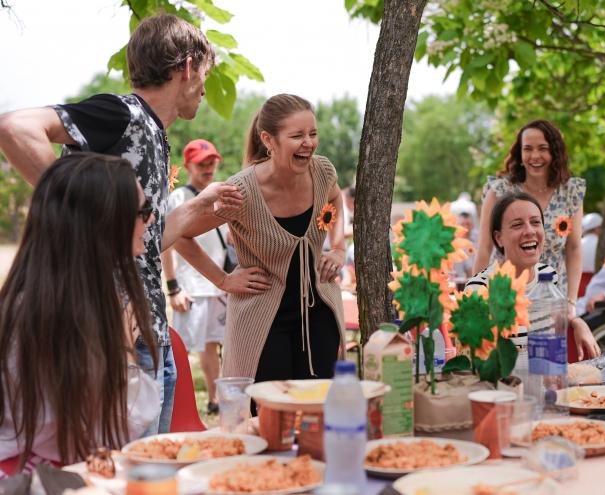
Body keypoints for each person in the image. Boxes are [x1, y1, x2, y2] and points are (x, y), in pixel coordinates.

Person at [0, 13, 247, 435]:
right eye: (204, 73)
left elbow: (142, 241)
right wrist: (78, 213)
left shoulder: (153, 133)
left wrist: (198, 206)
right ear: (186, 68)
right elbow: (14, 128)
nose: (205, 87)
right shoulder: (124, 113)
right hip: (112, 345)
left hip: (152, 339)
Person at [0, 153, 160, 473]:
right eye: (142, 211)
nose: (151, 220)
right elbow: (121, 424)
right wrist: (125, 342)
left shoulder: (47, 300)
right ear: (104, 222)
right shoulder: (60, 316)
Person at [181, 94, 346, 383]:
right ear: (269, 140)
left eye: (313, 133)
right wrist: (223, 280)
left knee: (320, 410)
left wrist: (339, 249)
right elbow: (182, 235)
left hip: (320, 316)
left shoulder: (322, 172)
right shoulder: (240, 192)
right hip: (262, 325)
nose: (309, 142)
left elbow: (336, 199)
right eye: (297, 135)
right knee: (270, 418)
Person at [466, 192, 600, 361]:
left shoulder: (548, 275)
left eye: (536, 222)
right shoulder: (479, 289)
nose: (529, 231)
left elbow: (554, 319)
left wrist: (577, 322)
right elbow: (476, 361)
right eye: (517, 225)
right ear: (499, 238)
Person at [474, 120, 585, 317]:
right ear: (520, 154)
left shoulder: (571, 191)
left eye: (543, 148)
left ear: (555, 152)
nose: (535, 156)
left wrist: (571, 302)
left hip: (552, 299)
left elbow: (574, 248)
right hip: (505, 297)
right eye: (528, 149)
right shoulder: (499, 191)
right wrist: (474, 298)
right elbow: (484, 248)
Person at [160, 139, 230, 415]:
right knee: (185, 347)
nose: (208, 168)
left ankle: (215, 399)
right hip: (191, 286)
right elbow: (167, 245)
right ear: (188, 165)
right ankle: (179, 406)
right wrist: (173, 287)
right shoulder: (178, 198)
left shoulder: (221, 194)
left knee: (213, 345)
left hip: (217, 285)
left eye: (212, 162)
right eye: (202, 163)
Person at [575, 212, 602, 314]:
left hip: (577, 286)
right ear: (597, 228)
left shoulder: (578, 245)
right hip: (596, 287)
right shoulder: (601, 246)